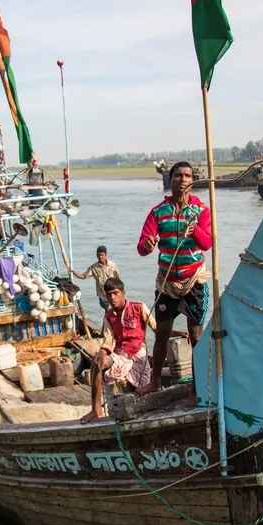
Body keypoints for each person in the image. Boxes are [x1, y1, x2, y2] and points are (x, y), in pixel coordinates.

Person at [134, 161, 211, 396]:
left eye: (188, 176)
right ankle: (155, 382)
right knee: (162, 334)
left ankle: (196, 389)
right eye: (178, 175)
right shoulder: (159, 212)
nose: (183, 179)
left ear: (192, 181)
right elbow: (142, 247)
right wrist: (147, 244)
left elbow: (207, 243)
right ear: (171, 179)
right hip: (167, 281)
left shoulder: (201, 210)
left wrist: (195, 230)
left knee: (196, 337)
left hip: (193, 281)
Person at [81, 277, 159, 423]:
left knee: (138, 395)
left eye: (115, 293)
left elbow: (157, 329)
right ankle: (96, 409)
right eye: (109, 294)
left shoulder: (139, 307)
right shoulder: (109, 315)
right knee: (96, 363)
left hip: (138, 354)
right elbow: (108, 340)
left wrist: (178, 333)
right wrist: (101, 352)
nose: (112, 297)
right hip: (120, 355)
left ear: (123, 293)